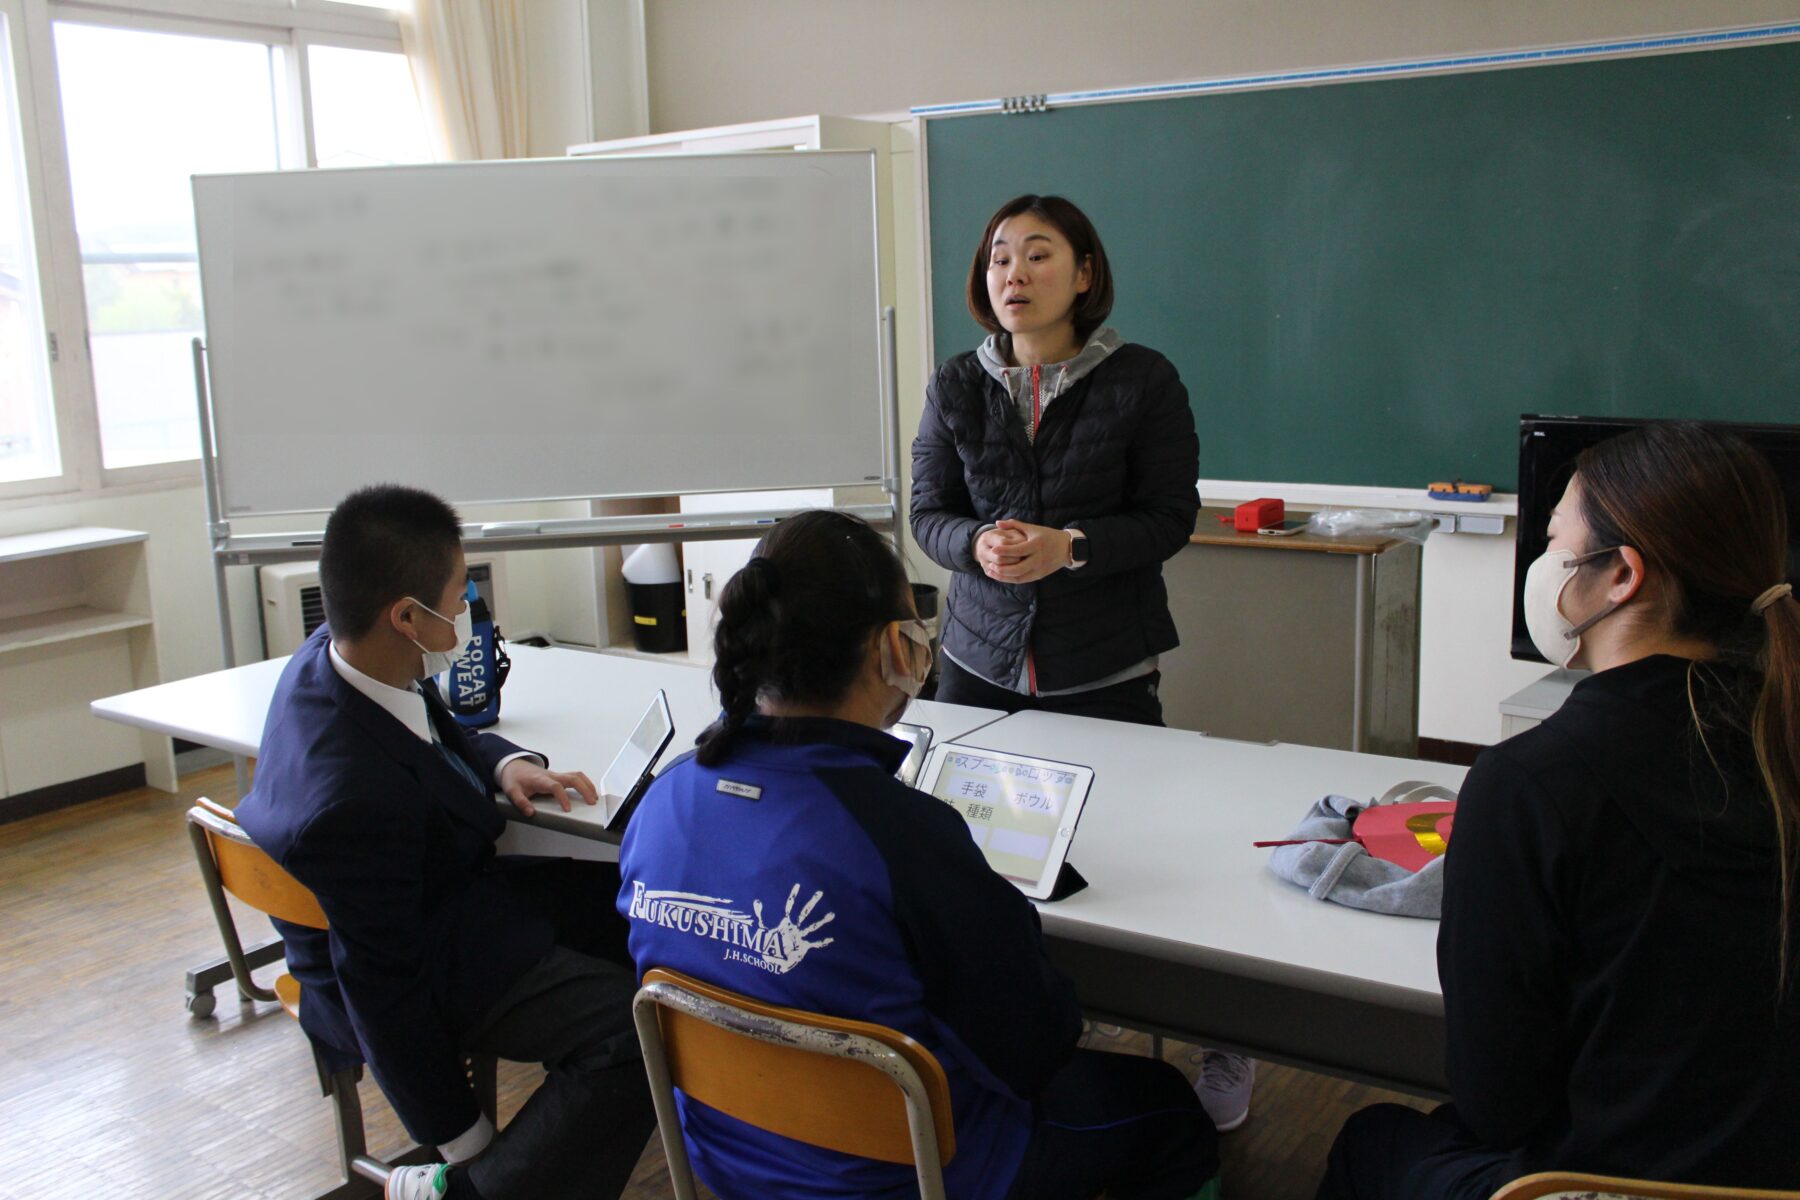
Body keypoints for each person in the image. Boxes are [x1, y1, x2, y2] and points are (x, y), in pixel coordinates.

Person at [617, 509, 1221, 1200]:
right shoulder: (901, 835)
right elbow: (1034, 1046)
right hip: (919, 1176)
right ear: (888, 649)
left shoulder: (662, 802)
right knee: (1171, 1108)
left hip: (728, 1164)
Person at [1317, 422, 1800, 1200]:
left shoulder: (1532, 785)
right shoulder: (1775, 735)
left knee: (1374, 1141)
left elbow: (1497, 1102)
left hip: (1603, 1183)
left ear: (1621, 577)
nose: (1542, 566)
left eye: (1553, 541)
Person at [236, 484, 657, 1200]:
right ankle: (479, 1192)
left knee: (640, 903)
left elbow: (428, 717)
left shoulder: (339, 655)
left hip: (437, 897)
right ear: (406, 616)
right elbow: (383, 992)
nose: (466, 611)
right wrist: (464, 1138)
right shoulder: (353, 801)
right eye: (459, 596)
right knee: (632, 1034)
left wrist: (500, 761)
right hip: (421, 956)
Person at [910, 193, 1202, 729]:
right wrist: (976, 542)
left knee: (1113, 809)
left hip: (1104, 668)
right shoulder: (955, 383)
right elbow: (928, 515)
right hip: (975, 659)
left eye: (1037, 256)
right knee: (965, 811)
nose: (1014, 275)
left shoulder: (1143, 380)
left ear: (1084, 275)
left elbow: (1170, 518)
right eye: (1000, 260)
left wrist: (1070, 547)